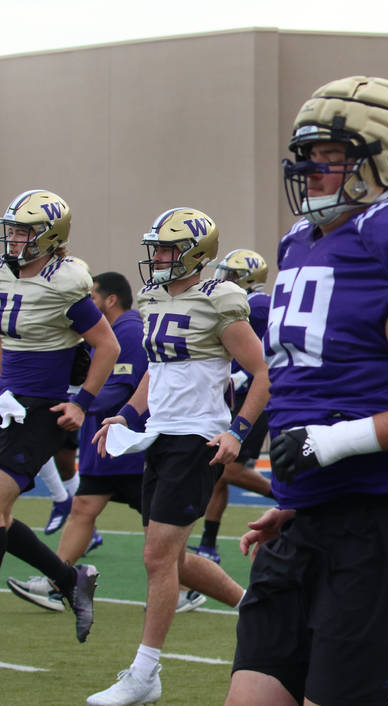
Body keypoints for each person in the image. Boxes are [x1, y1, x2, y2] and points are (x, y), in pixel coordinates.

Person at [225, 75, 388, 706]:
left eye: (328, 154)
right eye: (306, 152)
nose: (307, 167)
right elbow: (325, 381)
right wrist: (302, 496)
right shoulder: (305, 242)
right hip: (315, 514)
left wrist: (331, 445)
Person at [87, 208, 268, 706]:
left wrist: (237, 431)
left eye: (167, 249)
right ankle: (260, 609)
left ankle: (145, 673)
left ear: (195, 254)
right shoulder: (151, 297)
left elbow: (261, 372)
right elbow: (156, 373)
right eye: (157, 249)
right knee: (173, 558)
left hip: (198, 439)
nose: (158, 258)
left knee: (156, 557)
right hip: (161, 436)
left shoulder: (220, 299)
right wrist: (126, 414)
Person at [6, 271, 205, 614]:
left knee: (161, 533)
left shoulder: (127, 329)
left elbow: (124, 386)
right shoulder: (111, 328)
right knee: (83, 508)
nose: (89, 300)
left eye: (94, 295)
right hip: (105, 444)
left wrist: (80, 401)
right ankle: (60, 582)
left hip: (125, 445)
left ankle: (187, 588)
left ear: (110, 299)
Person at [0, 189, 119, 644]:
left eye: (24, 231)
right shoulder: (7, 274)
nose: (13, 238)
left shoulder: (64, 281)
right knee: (2, 515)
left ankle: (69, 581)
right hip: (8, 404)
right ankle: (71, 580)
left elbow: (106, 345)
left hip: (42, 410)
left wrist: (82, 402)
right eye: (11, 228)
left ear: (50, 237)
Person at [188, 248, 273, 565]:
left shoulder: (258, 304)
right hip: (240, 394)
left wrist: (240, 373)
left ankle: (288, 499)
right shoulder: (237, 302)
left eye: (233, 275)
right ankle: (209, 544)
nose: (224, 279)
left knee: (228, 467)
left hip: (257, 397)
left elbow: (264, 350)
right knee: (220, 472)